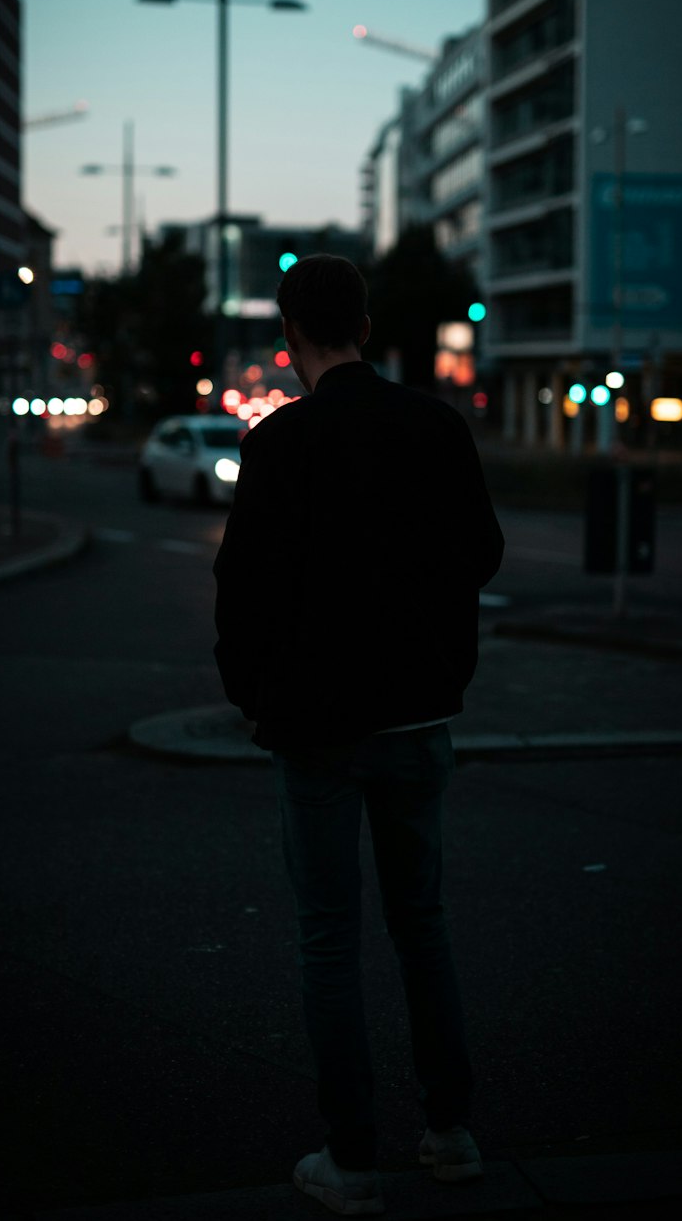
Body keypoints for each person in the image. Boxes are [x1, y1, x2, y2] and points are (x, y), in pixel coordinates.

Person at [213, 254, 504, 1216]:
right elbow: (483, 552)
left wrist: (248, 691)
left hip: (318, 727)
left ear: (291, 339)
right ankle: (452, 1131)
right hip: (420, 713)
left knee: (330, 941)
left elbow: (244, 585)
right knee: (423, 924)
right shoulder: (434, 426)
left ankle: (351, 1155)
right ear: (368, 327)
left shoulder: (282, 444)